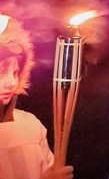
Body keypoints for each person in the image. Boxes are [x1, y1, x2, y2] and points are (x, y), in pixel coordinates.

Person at [0, 16, 74, 179]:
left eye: (15, 72)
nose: (11, 82)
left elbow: (45, 170)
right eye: (1, 72)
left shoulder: (30, 125)